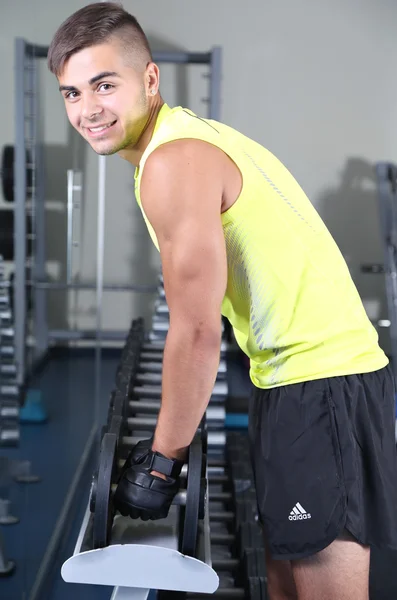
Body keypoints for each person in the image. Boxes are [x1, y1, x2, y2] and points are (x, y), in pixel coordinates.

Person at [48, 4, 397, 599]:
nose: (87, 110)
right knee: (287, 584)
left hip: (319, 384)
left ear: (149, 79)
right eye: (72, 92)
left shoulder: (172, 163)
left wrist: (162, 461)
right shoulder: (182, 139)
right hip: (293, 380)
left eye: (104, 85)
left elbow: (197, 332)